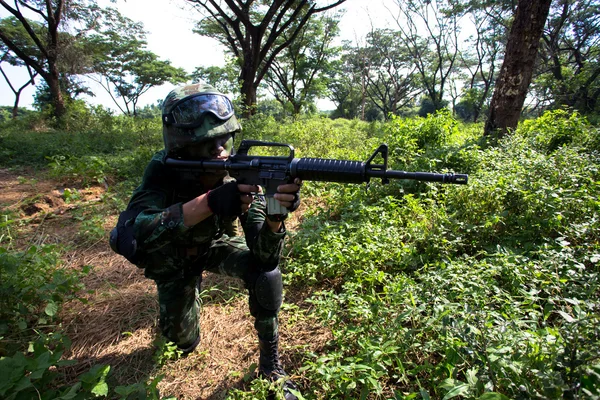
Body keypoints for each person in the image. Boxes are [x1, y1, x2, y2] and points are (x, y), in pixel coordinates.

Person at [109, 83, 301, 399]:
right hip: (173, 257)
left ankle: (271, 365)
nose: (219, 150)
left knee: (265, 274)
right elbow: (133, 233)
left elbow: (264, 254)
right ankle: (185, 292)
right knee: (183, 344)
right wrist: (209, 203)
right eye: (207, 143)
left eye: (223, 139)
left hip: (214, 245)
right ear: (181, 146)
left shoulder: (239, 172)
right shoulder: (163, 169)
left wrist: (276, 213)